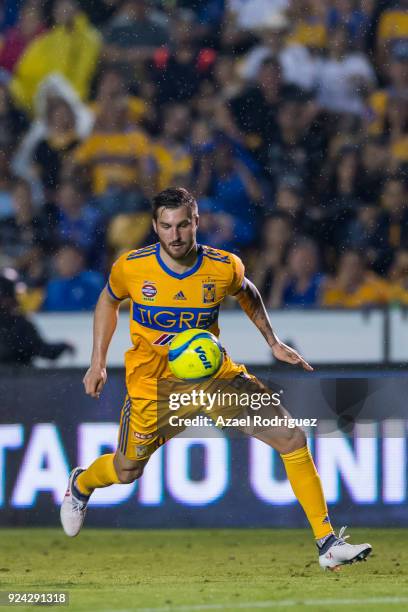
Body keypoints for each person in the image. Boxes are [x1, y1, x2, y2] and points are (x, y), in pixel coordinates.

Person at [60, 187, 372, 571]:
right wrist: (98, 362)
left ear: (196, 222)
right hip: (154, 384)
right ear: (155, 227)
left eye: (182, 225)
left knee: (291, 437)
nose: (175, 235)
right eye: (166, 226)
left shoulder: (223, 266)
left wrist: (271, 340)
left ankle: (327, 542)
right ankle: (82, 484)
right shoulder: (132, 267)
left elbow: (247, 292)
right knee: (126, 470)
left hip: (214, 378)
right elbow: (108, 300)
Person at [0, 273, 73, 365]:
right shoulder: (19, 324)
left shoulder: (19, 323)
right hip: (17, 376)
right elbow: (43, 350)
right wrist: (65, 345)